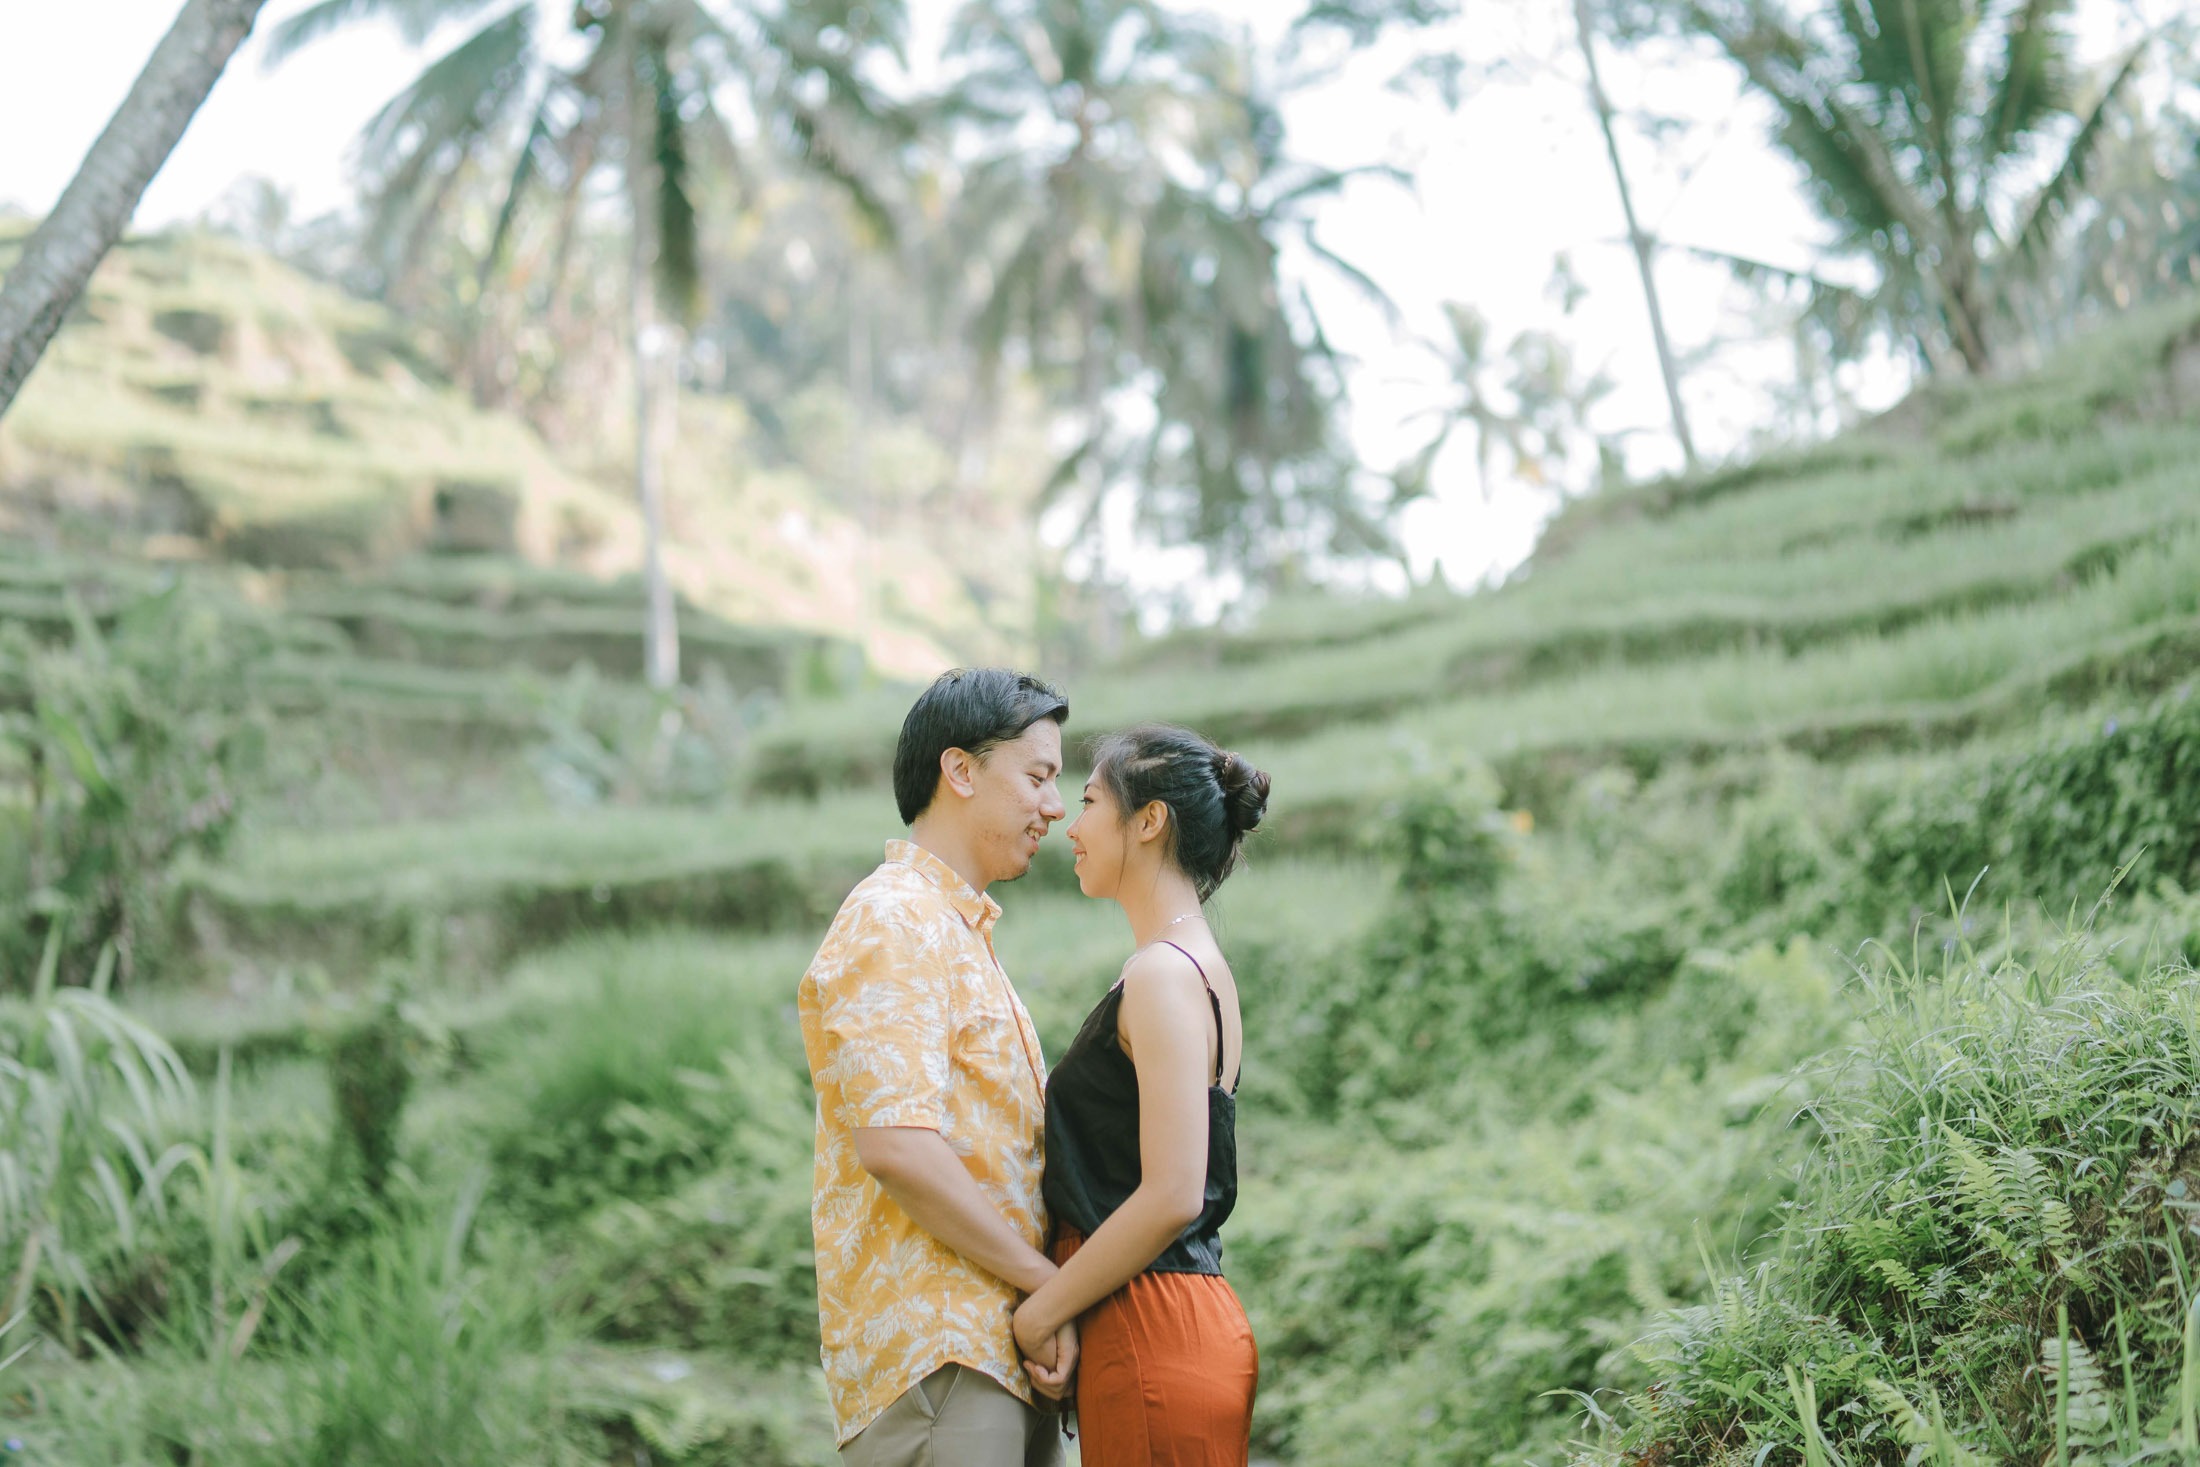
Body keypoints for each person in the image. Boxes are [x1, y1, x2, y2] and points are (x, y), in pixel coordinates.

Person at [798, 668, 1080, 1466]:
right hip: (940, 1355)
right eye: (1037, 776)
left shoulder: (955, 930)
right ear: (960, 771)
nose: (1053, 807)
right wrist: (1039, 1281)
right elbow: (898, 1145)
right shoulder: (895, 917)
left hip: (995, 1348)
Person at [1012, 724, 1270, 1466]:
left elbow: (1172, 1192)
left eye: (1091, 799)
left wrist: (1042, 1311)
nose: (1070, 820)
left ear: (1149, 820)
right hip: (1174, 1318)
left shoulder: (1163, 974)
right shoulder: (1196, 967)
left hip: (1152, 1325)